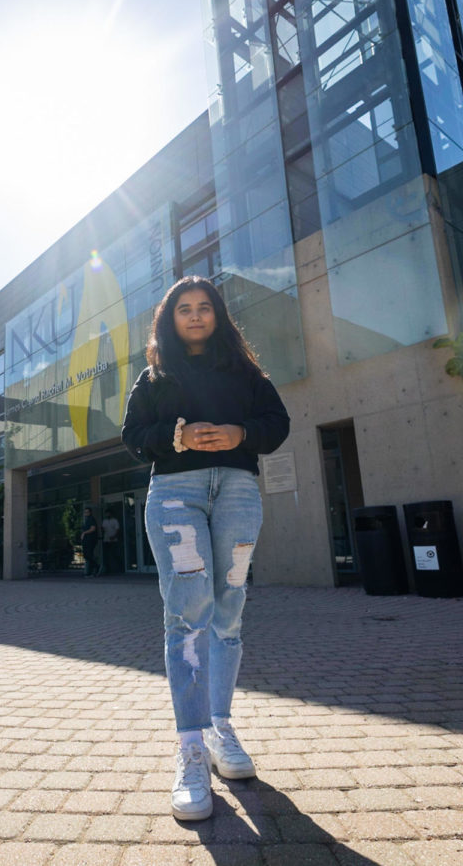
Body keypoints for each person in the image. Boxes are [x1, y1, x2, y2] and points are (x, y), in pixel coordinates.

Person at [122, 275, 290, 822]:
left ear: (217, 315)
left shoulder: (245, 373)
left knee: (229, 612)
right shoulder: (154, 376)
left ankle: (221, 729)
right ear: (169, 320)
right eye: (183, 309)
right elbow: (132, 436)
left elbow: (278, 422)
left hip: (238, 491)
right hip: (175, 495)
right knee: (187, 615)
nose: (194, 316)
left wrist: (241, 434)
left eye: (203, 308)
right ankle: (190, 747)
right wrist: (178, 436)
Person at [79, 506, 99, 577]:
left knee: (88, 555)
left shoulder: (91, 519)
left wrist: (84, 533)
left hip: (91, 540)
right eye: (85, 512)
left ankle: (96, 567)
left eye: (87, 512)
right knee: (86, 555)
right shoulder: (87, 520)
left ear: (90, 512)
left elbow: (93, 529)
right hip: (86, 541)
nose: (86, 513)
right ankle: (91, 571)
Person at [100, 508, 121, 575]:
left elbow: (117, 530)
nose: (107, 514)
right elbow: (103, 529)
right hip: (106, 540)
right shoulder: (104, 521)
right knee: (106, 556)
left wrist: (114, 536)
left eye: (108, 513)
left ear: (111, 514)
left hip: (114, 540)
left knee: (115, 555)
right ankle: (107, 569)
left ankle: (118, 569)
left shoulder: (115, 521)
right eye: (106, 513)